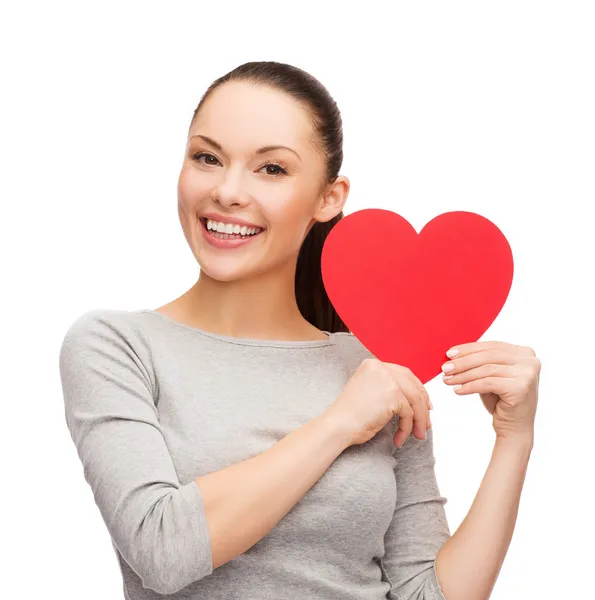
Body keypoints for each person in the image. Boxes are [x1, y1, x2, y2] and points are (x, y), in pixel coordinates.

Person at [59, 61, 540, 600]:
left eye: (271, 169)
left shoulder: (377, 366)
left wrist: (513, 439)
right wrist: (339, 423)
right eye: (207, 158)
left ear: (329, 198)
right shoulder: (116, 346)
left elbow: (425, 594)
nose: (228, 191)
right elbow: (162, 551)